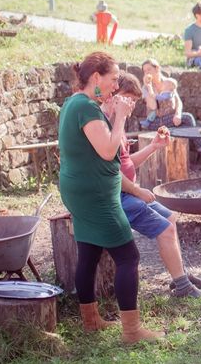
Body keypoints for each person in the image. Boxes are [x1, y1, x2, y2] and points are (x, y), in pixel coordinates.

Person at [58, 52, 162, 343]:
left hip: (79, 190)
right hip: (96, 196)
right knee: (129, 256)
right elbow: (107, 151)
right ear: (96, 78)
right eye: (113, 79)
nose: (116, 86)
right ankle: (132, 331)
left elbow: (98, 146)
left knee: (88, 252)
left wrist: (108, 111)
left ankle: (90, 321)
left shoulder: (75, 103)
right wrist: (119, 117)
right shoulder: (85, 108)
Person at [106, 73, 201, 298]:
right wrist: (137, 190)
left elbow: (127, 163)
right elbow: (110, 172)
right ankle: (182, 286)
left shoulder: (119, 126)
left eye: (134, 100)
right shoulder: (106, 126)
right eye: (126, 98)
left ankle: (180, 275)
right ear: (112, 95)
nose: (131, 104)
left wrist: (153, 146)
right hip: (118, 196)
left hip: (127, 192)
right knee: (166, 228)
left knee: (170, 217)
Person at [139, 59, 201, 159]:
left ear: (157, 69)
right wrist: (149, 87)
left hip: (170, 118)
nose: (147, 73)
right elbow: (153, 106)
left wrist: (178, 114)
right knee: (187, 119)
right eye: (144, 71)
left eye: (149, 69)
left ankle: (186, 145)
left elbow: (178, 101)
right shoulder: (146, 88)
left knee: (185, 120)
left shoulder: (168, 83)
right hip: (155, 121)